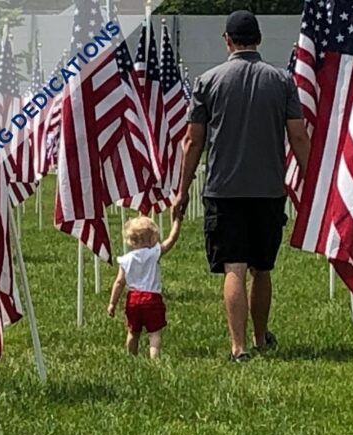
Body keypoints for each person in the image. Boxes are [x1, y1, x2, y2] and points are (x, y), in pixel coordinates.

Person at [173, 10, 310, 362]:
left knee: (233, 266)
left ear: (227, 40)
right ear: (259, 40)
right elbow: (297, 134)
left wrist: (182, 188)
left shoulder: (207, 82)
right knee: (262, 267)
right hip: (268, 189)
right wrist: (310, 181)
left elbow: (193, 140)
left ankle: (239, 347)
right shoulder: (282, 81)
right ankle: (262, 337)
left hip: (223, 190)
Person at [107, 215, 181, 358]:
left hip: (133, 299)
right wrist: (177, 222)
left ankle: (131, 356)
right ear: (152, 238)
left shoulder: (126, 259)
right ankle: (154, 359)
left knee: (133, 332)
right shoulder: (154, 253)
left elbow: (119, 282)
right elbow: (171, 240)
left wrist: (112, 303)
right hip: (152, 298)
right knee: (154, 333)